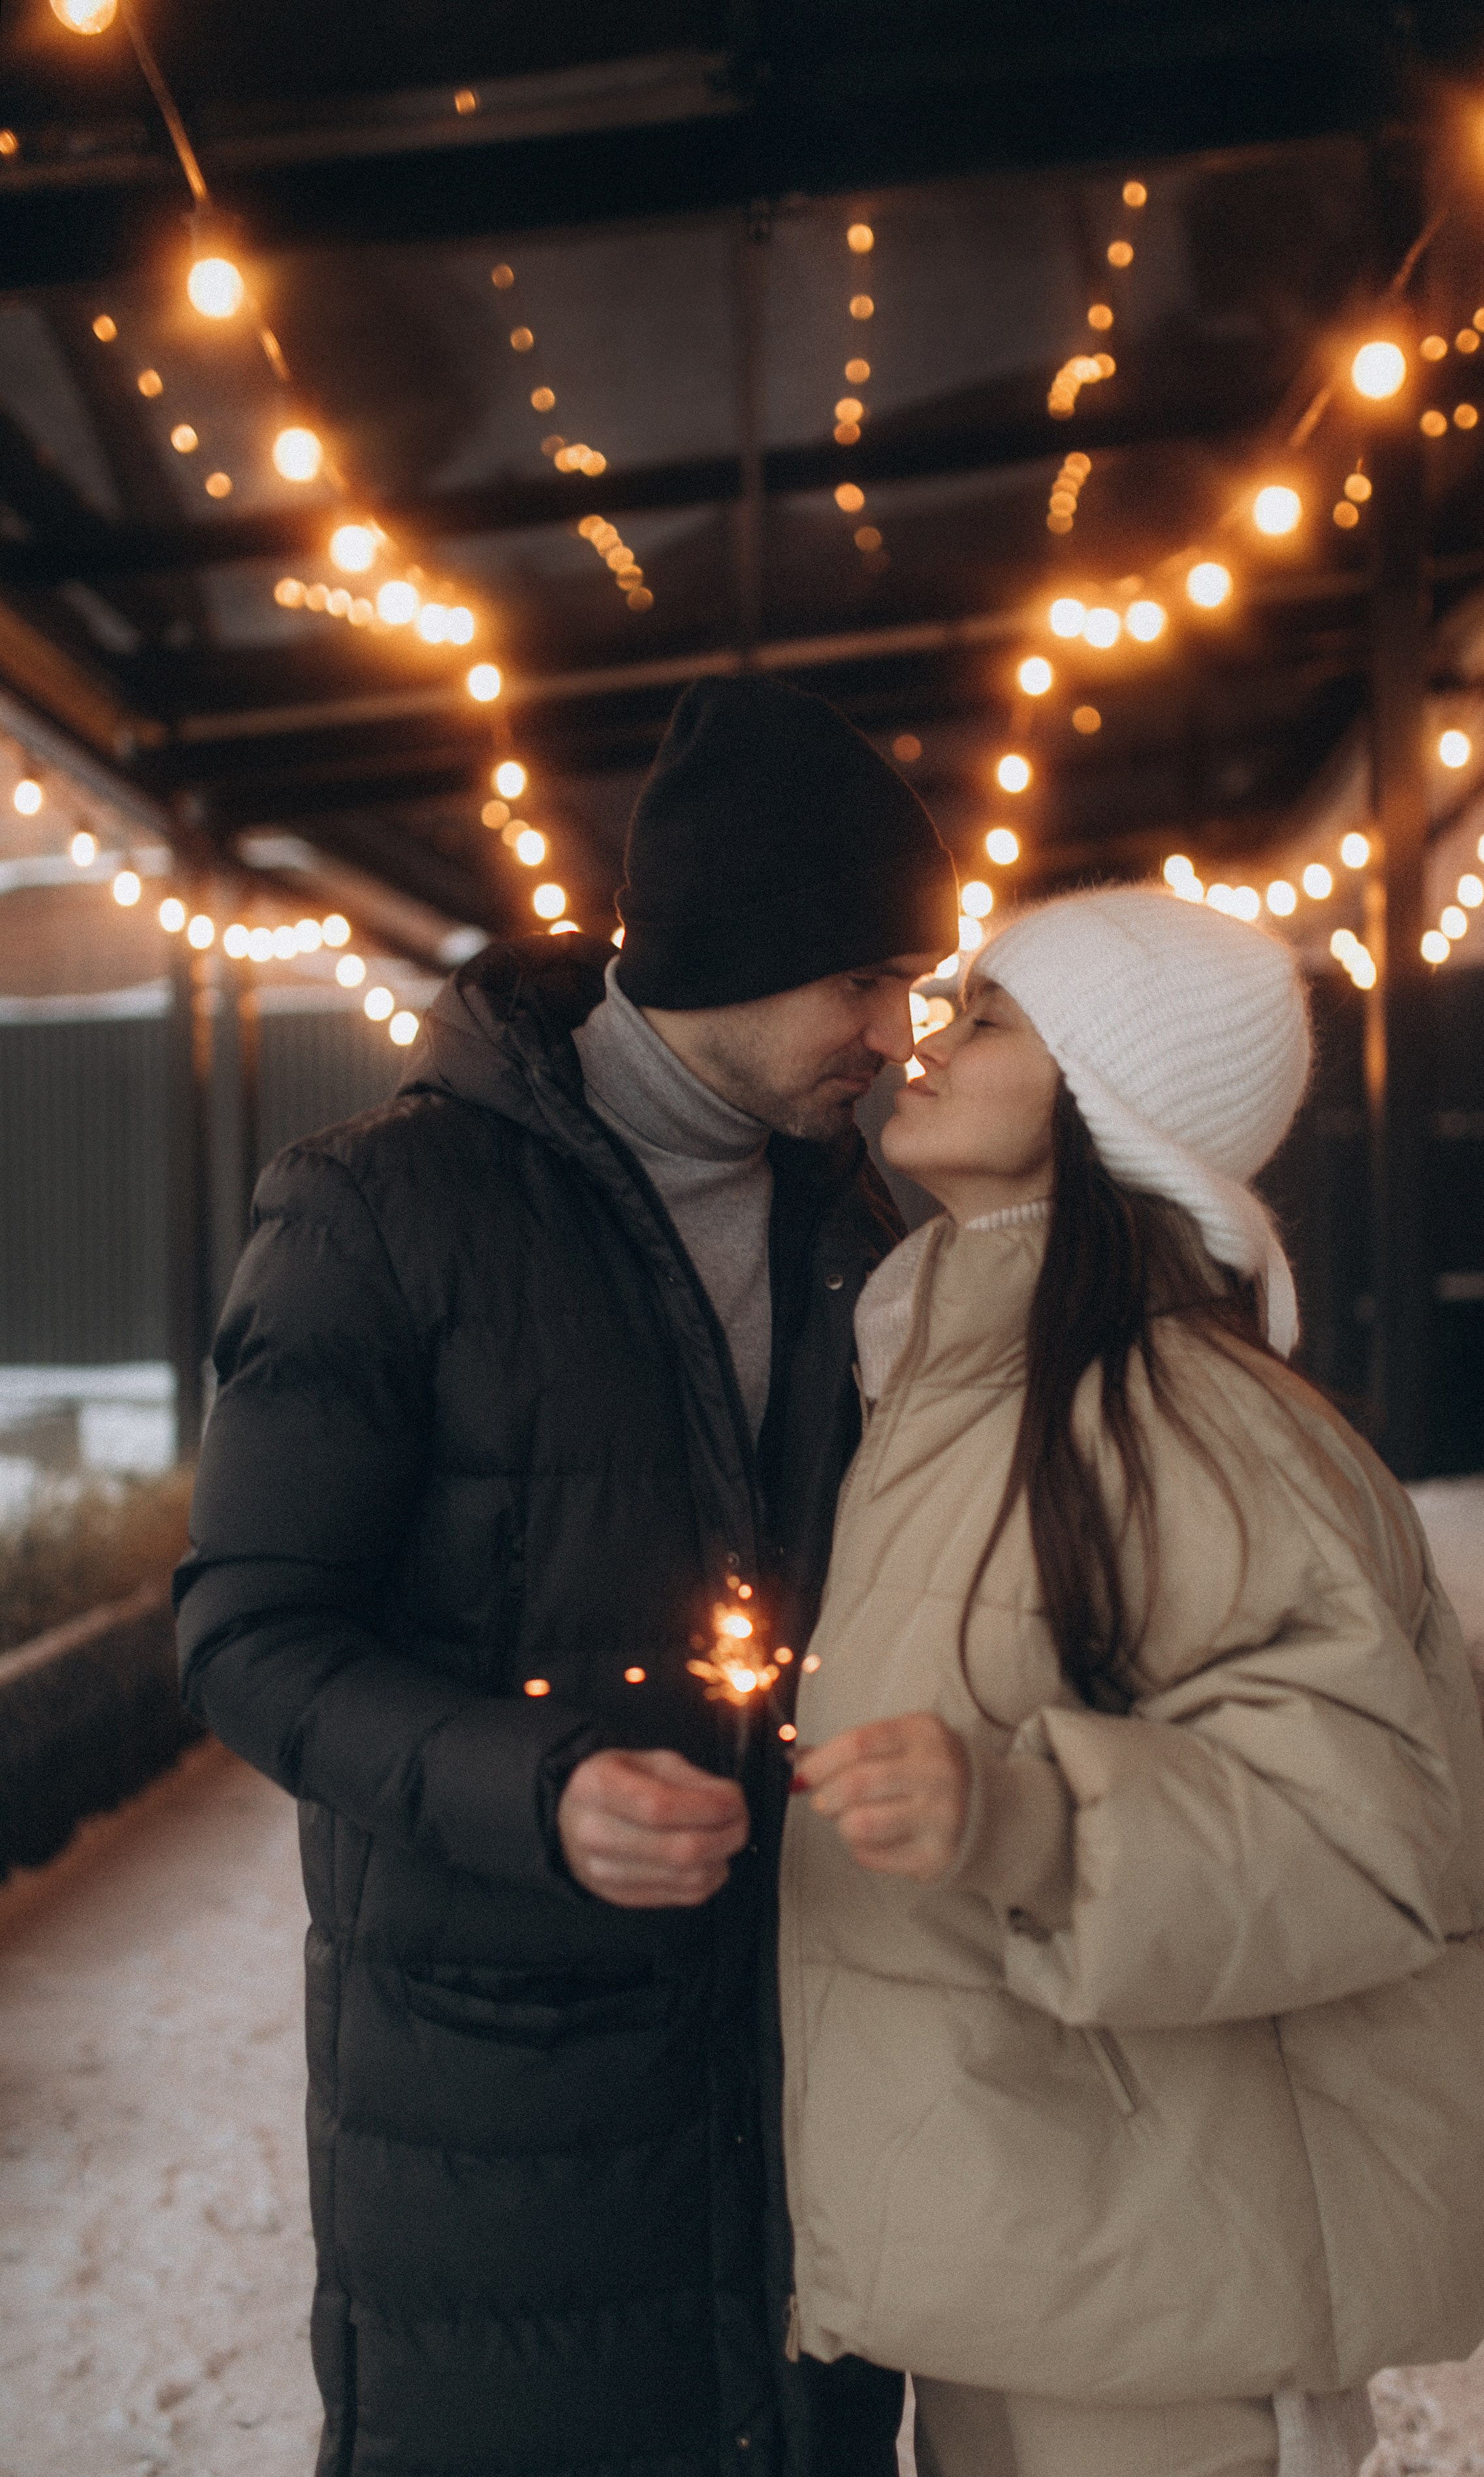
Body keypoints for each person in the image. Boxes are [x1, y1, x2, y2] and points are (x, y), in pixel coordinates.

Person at [174, 675, 958, 2477]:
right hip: (504, 2109)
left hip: (807, 2069)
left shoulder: (856, 1224)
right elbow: (244, 1633)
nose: (896, 1034)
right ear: (728, 950)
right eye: (863, 978)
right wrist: (534, 1791)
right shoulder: (379, 1210)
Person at [778, 888, 1484, 2477]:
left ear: (1104, 1101)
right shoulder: (949, 1384)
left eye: (987, 1019)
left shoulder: (1186, 1418)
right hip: (1028, 2252)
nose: (927, 1041)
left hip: (1169, 2301)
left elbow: (1356, 1836)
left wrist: (1024, 1819)